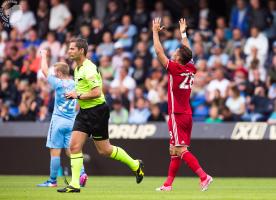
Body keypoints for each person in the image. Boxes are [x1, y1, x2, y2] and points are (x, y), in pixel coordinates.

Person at [57, 38, 144, 193]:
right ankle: (75, 184)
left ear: (81, 51)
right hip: (84, 112)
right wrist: (76, 99)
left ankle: (135, 165)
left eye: (72, 49)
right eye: (69, 48)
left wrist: (77, 95)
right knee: (74, 146)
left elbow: (97, 92)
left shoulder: (89, 68)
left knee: (105, 150)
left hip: (97, 111)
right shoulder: (77, 68)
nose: (69, 51)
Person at [152, 18, 212, 191]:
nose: (174, 52)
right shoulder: (190, 68)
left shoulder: (175, 68)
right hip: (186, 113)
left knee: (180, 150)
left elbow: (158, 51)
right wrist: (183, 33)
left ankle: (204, 176)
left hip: (177, 114)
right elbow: (188, 51)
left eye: (176, 51)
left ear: (178, 58)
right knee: (173, 149)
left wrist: (155, 32)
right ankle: (168, 185)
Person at [37, 50, 88, 187]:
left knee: (55, 151)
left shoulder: (58, 83)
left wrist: (43, 55)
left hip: (58, 120)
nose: (54, 74)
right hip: (72, 122)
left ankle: (52, 181)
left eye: (55, 72)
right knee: (72, 151)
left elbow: (43, 70)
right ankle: (82, 173)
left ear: (59, 73)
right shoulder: (75, 84)